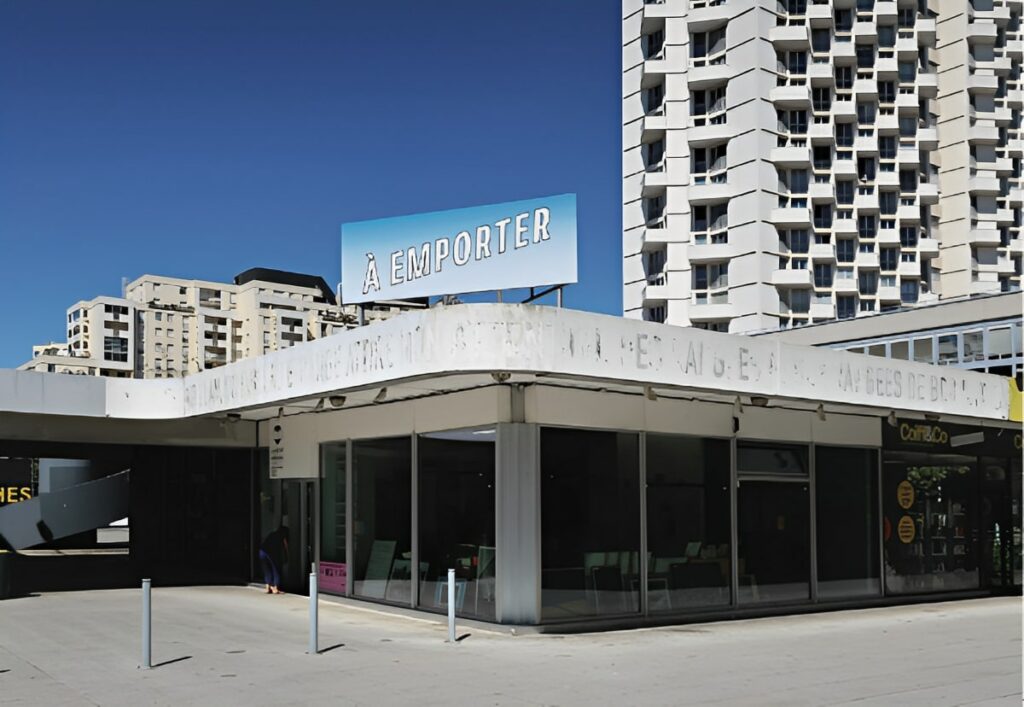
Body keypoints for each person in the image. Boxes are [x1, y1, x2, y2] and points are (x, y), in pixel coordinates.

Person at [259, 524, 289, 594]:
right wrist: (287, 556)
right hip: (271, 553)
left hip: (262, 552)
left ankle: (268, 587)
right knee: (276, 570)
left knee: (266, 570)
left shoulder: (272, 534)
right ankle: (275, 588)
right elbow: (285, 547)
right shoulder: (282, 536)